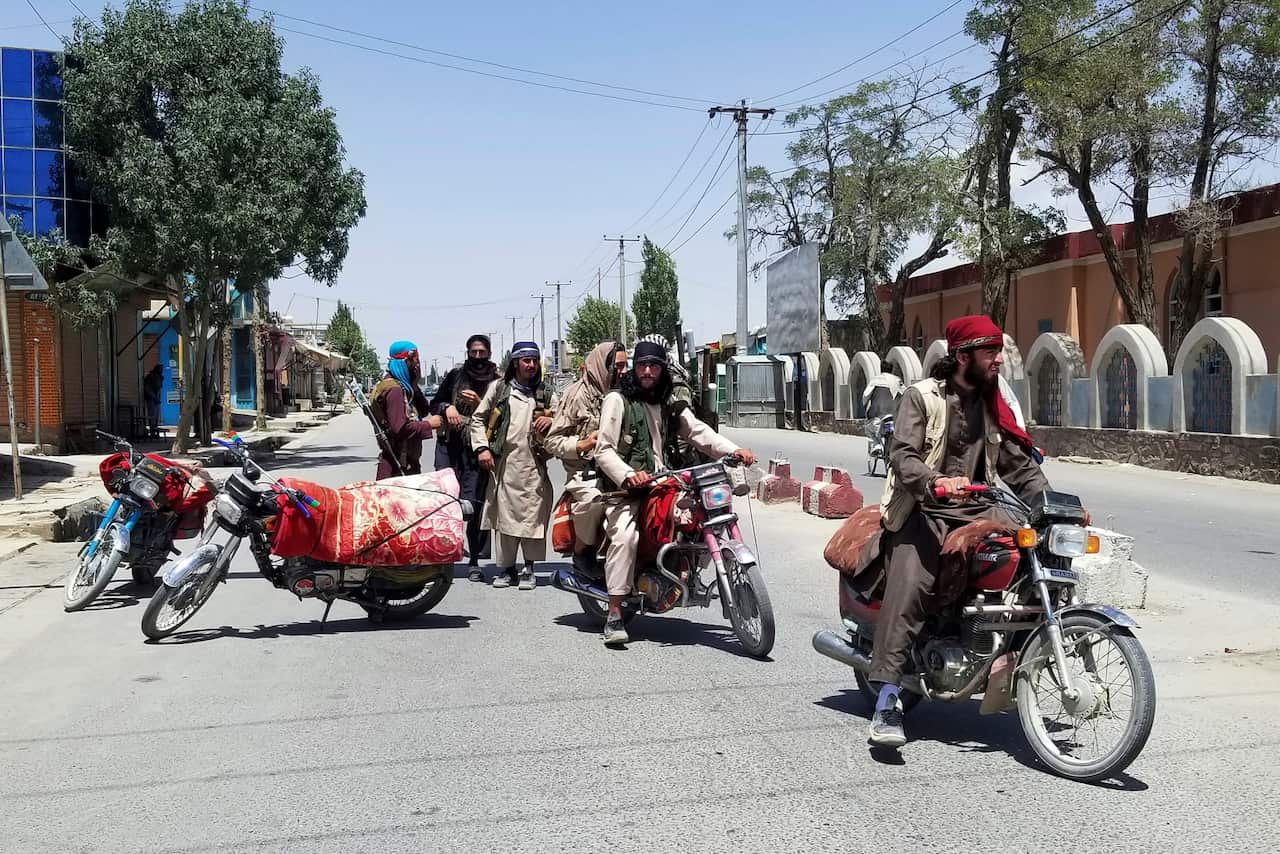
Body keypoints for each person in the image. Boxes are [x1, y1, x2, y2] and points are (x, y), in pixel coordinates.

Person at [866, 316, 1051, 749]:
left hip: (977, 509)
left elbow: (1017, 465)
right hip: (923, 509)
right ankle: (888, 699)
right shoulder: (922, 397)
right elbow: (903, 455)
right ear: (963, 356)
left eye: (999, 351)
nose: (999, 360)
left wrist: (1053, 504)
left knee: (1036, 553)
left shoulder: (990, 405)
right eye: (990, 352)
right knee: (912, 585)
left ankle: (1009, 653)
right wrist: (936, 481)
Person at [593, 340, 756, 646]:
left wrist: (734, 451)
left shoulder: (667, 401)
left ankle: (684, 573)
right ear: (634, 368)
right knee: (626, 536)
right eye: (642, 365)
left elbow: (697, 431)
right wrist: (628, 475)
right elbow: (604, 450)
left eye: (654, 366)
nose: (647, 372)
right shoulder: (618, 400)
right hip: (627, 490)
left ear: (662, 370)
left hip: (665, 482)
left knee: (699, 517)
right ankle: (614, 612)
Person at [470, 342, 555, 591]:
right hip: (504, 465)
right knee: (505, 519)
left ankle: (529, 568)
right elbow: (478, 419)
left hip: (534, 465)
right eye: (526, 360)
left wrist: (550, 419)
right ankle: (507, 569)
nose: (531, 365)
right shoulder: (500, 388)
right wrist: (482, 448)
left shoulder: (545, 392)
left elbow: (564, 418)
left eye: (534, 360)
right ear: (516, 363)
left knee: (533, 517)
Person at [543, 341, 625, 573]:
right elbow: (552, 441)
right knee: (593, 501)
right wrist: (583, 444)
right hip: (585, 472)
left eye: (625, 365)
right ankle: (582, 552)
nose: (623, 371)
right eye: (618, 366)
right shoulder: (577, 395)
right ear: (603, 366)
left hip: (620, 467)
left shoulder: (624, 392)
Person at [431, 334, 500, 579]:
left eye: (482, 352)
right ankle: (441, 557)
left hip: (478, 450)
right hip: (450, 448)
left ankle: (474, 560)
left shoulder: (497, 381)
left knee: (475, 505)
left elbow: (503, 415)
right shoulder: (455, 376)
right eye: (474, 352)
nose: (478, 357)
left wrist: (481, 403)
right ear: (468, 353)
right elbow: (434, 403)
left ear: (489, 353)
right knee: (445, 501)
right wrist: (447, 407)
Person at [369, 341, 441, 480]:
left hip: (405, 463)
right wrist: (429, 425)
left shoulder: (402, 387)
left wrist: (414, 384)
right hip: (397, 468)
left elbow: (423, 410)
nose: (417, 365)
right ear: (405, 362)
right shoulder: (394, 390)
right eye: (415, 360)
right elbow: (400, 428)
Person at [143, 365, 164, 439]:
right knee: (152, 416)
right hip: (151, 399)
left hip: (156, 399)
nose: (162, 370)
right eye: (160, 369)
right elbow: (147, 388)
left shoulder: (160, 377)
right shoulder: (151, 377)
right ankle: (152, 432)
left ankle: (154, 431)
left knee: (156, 416)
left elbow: (158, 389)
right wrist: (154, 397)